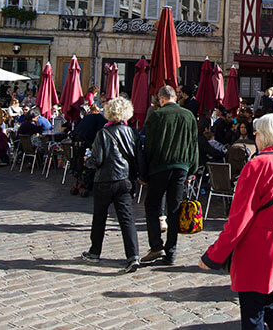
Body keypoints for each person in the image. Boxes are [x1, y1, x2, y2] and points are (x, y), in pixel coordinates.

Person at [200, 113, 273, 330]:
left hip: (257, 250)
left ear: (263, 136)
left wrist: (213, 256)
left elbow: (238, 220)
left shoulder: (257, 165)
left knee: (253, 313)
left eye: (256, 133)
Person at [140, 86, 199, 266]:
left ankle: (156, 245)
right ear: (175, 97)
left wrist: (143, 174)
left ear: (161, 99)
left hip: (159, 166)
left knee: (152, 205)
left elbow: (148, 146)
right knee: (174, 208)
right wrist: (192, 169)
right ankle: (171, 251)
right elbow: (193, 144)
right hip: (181, 167)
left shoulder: (156, 116)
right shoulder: (188, 116)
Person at [83, 96, 142, 272]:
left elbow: (97, 159)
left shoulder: (103, 133)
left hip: (104, 180)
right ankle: (133, 255)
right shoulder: (132, 132)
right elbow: (137, 158)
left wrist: (87, 161)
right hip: (124, 180)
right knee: (126, 219)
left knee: (99, 217)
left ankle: (95, 252)